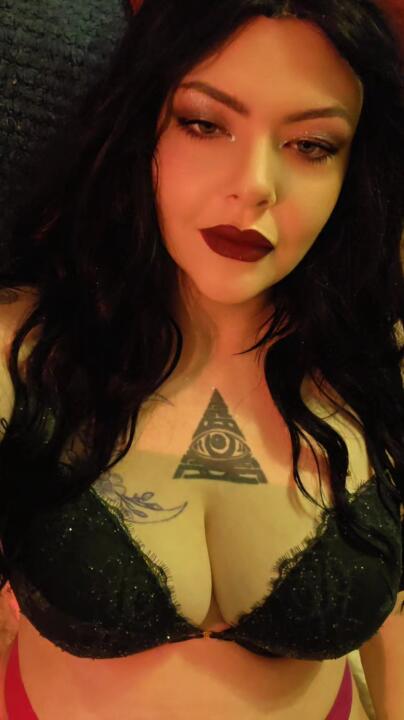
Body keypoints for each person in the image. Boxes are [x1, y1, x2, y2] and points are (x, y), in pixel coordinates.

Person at [0, 0, 403, 718]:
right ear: (141, 128)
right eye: (204, 123)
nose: (256, 184)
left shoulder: (380, 365)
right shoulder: (20, 352)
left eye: (312, 144)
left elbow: (396, 610)